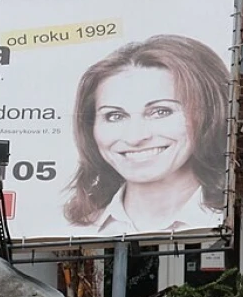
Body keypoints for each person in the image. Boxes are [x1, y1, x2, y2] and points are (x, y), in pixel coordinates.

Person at [63, 33, 230, 236]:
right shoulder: (71, 232)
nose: (135, 137)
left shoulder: (230, 219)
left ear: (210, 115)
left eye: (161, 112)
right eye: (115, 116)